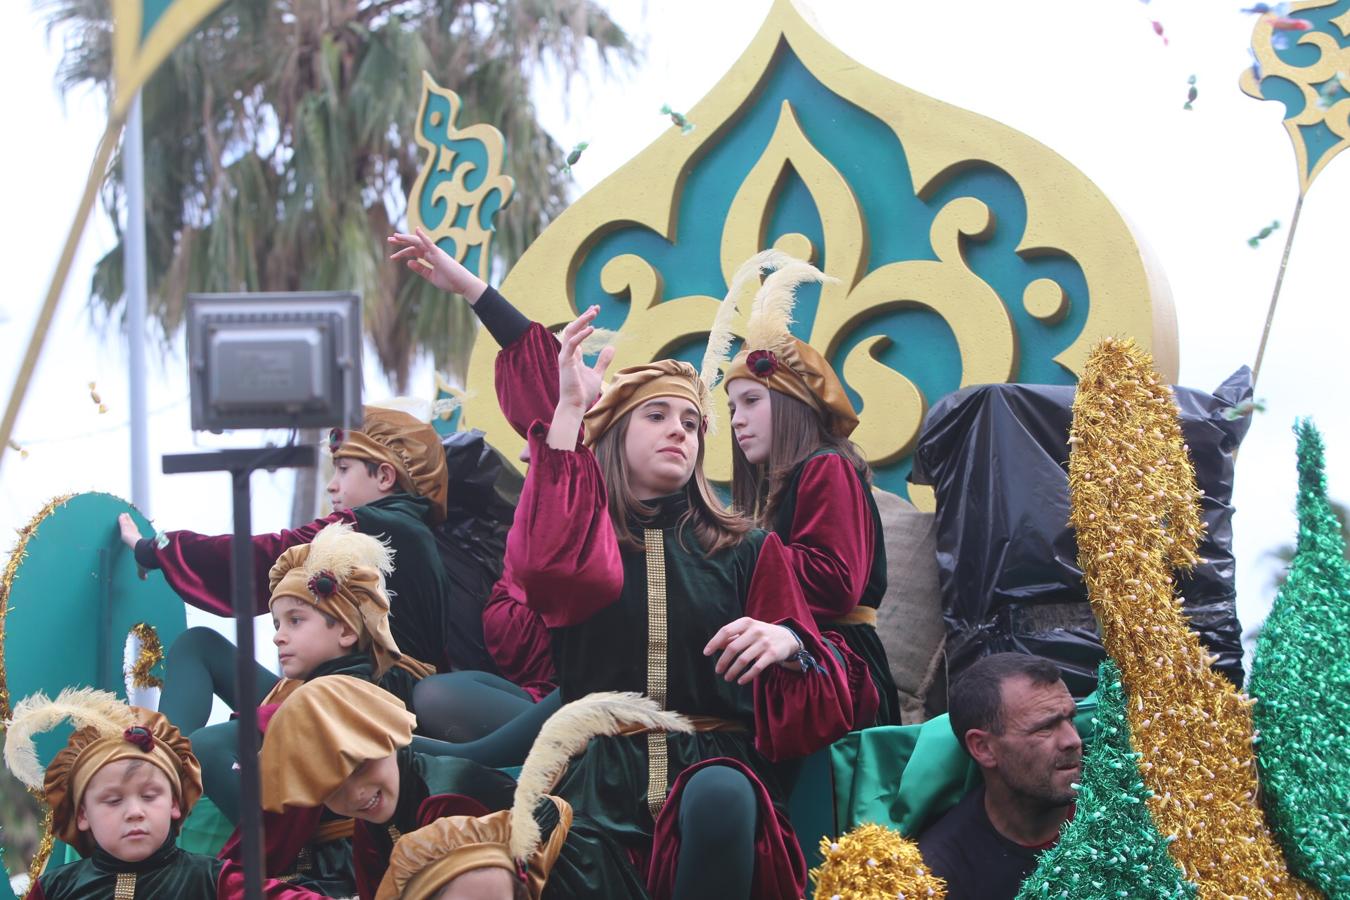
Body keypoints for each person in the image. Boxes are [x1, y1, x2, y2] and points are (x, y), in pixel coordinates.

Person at [500, 323, 877, 899]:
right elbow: (540, 569)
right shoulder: (582, 548)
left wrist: (794, 647)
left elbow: (822, 710)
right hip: (597, 785)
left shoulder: (747, 548)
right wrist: (569, 414)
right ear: (616, 434)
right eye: (657, 416)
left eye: (693, 422)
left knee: (721, 794)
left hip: (718, 778)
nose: (680, 429)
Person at [120, 404, 483, 736]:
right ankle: (163, 762)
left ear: (385, 476)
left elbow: (266, 555)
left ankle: (159, 769)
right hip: (341, 694)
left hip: (367, 707)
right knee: (200, 645)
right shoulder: (415, 533)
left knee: (217, 747)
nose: (332, 483)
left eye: (343, 469)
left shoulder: (382, 526)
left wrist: (155, 548)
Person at [707, 249, 900, 725]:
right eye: (732, 408)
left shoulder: (825, 467)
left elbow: (834, 583)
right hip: (800, 659)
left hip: (837, 669)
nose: (738, 420)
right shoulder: (778, 486)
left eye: (752, 400)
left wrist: (730, 542)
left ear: (793, 404)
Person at [200, 523, 436, 895]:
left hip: (336, 869)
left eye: (295, 620)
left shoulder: (341, 697)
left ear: (345, 630)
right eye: (277, 623)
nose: (277, 634)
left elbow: (209, 746)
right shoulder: (301, 694)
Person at [3, 687, 323, 899]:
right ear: (83, 814)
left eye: (149, 795)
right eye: (113, 800)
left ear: (174, 803)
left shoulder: (211, 881)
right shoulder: (56, 889)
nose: (134, 811)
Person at [260, 676, 521, 900]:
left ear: (385, 735)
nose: (354, 794)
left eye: (360, 767)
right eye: (331, 788)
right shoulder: (373, 819)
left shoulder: (445, 796)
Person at [918, 653, 1083, 900]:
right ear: (983, 748)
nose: (1073, 740)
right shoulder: (940, 875)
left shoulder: (1125, 811)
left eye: (1070, 718)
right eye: (1045, 727)